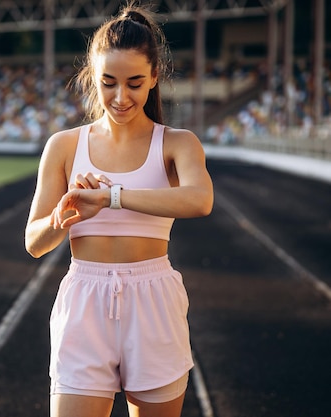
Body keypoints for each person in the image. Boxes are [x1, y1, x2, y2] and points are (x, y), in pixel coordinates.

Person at [24, 3, 214, 417]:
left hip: (153, 301)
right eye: (108, 82)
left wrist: (110, 197)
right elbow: (35, 243)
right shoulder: (64, 146)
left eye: (134, 83)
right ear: (93, 77)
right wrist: (65, 216)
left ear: (154, 77)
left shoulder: (177, 144)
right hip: (83, 303)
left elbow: (199, 200)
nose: (120, 96)